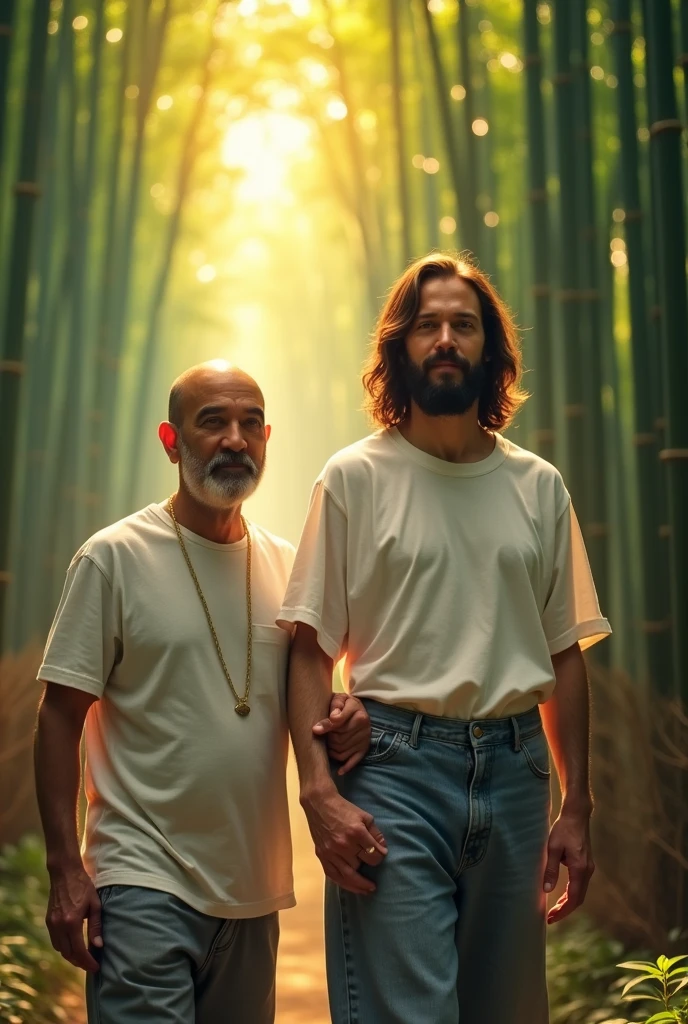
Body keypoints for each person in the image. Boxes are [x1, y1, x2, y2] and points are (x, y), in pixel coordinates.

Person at [278, 255, 611, 1024]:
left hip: (518, 772)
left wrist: (578, 805)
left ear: (490, 349)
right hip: (394, 773)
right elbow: (308, 649)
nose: (446, 339)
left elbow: (563, 654)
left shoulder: (538, 487)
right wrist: (318, 792)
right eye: (427, 325)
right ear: (400, 349)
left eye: (464, 324)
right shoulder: (352, 479)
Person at [34, 361, 368, 1024]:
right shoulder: (113, 558)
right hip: (140, 882)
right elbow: (58, 717)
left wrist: (345, 712)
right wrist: (65, 869)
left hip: (253, 892)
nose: (235, 440)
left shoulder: (288, 568)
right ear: (171, 440)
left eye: (250, 424)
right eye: (212, 422)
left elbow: (311, 697)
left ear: (268, 437)